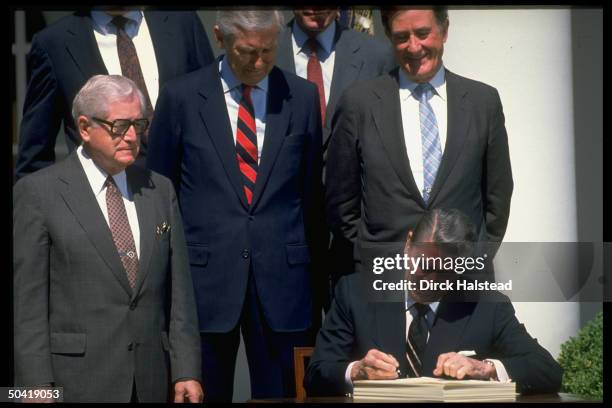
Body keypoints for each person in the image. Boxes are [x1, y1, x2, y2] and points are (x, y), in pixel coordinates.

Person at [146, 10, 326, 402]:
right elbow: (160, 191)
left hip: (284, 281)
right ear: (220, 38)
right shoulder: (181, 97)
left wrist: (318, 285)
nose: (258, 62)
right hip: (204, 280)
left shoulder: (303, 96)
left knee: (281, 394)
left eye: (267, 50)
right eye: (246, 51)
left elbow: (312, 197)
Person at [13, 75, 203, 403]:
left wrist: (186, 369)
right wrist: (34, 387)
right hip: (75, 381)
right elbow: (27, 306)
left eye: (139, 124)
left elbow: (179, 293)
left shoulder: (160, 190)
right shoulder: (38, 194)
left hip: (150, 380)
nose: (132, 136)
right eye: (120, 126)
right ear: (85, 128)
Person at [325, 7, 513, 278]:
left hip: (461, 282)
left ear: (444, 30)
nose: (413, 47)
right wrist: (374, 257)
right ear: (389, 36)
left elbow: (497, 197)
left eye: (423, 33)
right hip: (385, 282)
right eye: (402, 37)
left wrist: (472, 260)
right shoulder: (359, 104)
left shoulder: (483, 102)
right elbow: (342, 203)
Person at [304, 209, 563, 396]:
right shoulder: (356, 293)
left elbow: (547, 370)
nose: (431, 281)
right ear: (408, 244)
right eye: (424, 266)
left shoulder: (486, 304)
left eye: (446, 272)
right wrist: (357, 371)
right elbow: (316, 374)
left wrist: (485, 369)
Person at [276, 7, 396, 299]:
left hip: (353, 242)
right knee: (299, 343)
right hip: (284, 238)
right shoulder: (265, 49)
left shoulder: (377, 56)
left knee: (356, 340)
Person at [15, 9, 214, 180]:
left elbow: (213, 112)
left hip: (186, 201)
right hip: (106, 209)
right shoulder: (56, 42)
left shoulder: (182, 22)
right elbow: (34, 154)